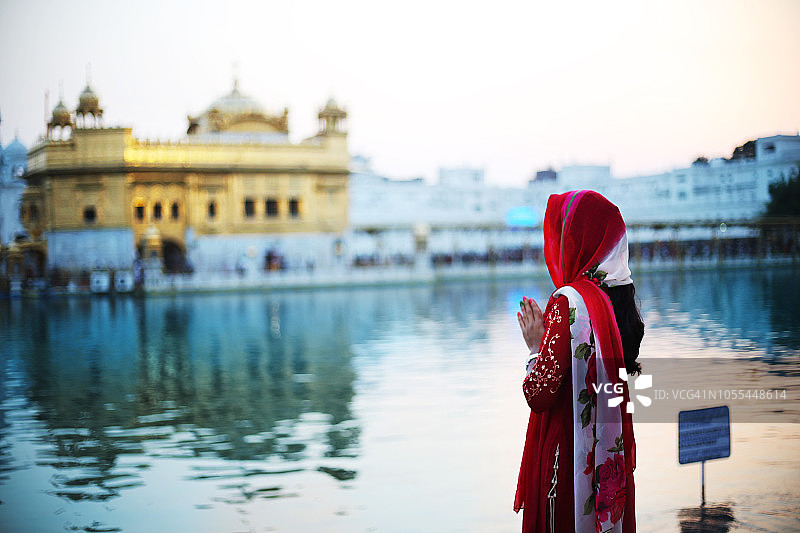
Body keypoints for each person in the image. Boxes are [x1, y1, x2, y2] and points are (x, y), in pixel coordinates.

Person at [514, 190, 644, 533]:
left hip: (569, 457)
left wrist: (533, 347)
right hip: (602, 450)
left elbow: (539, 394)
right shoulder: (614, 297)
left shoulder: (568, 301)